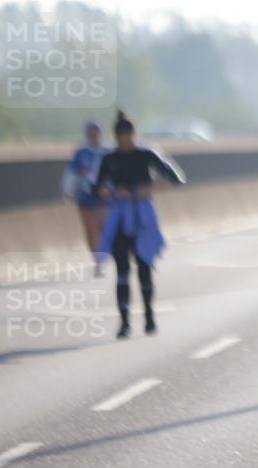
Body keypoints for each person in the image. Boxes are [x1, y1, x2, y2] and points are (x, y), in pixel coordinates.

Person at [93, 110, 186, 339]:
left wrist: (149, 189)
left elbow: (177, 179)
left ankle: (149, 317)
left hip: (143, 215)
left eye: (129, 138)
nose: (125, 143)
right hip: (120, 215)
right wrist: (115, 191)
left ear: (135, 135)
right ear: (115, 138)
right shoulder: (109, 158)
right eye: (121, 139)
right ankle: (124, 323)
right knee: (122, 271)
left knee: (144, 269)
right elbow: (97, 189)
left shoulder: (147, 155)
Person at [62, 121, 110, 275]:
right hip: (85, 197)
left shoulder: (107, 152)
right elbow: (71, 173)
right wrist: (68, 191)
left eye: (96, 133)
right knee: (90, 231)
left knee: (102, 227)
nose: (93, 136)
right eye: (90, 133)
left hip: (103, 197)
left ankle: (103, 255)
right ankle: (97, 261)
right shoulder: (80, 153)